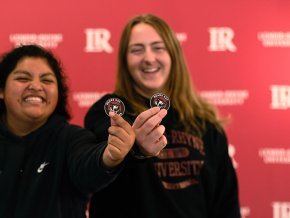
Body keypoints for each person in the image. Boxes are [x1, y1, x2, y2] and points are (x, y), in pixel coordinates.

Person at [85, 14, 241, 218]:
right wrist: (136, 147)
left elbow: (225, 203)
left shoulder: (205, 123)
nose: (149, 58)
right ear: (125, 60)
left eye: (158, 48)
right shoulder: (110, 111)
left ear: (173, 55)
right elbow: (99, 161)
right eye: (137, 50)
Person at [0, 44, 136, 218]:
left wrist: (108, 157)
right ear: (1, 90)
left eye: (47, 80)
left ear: (58, 94)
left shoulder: (71, 138)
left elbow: (88, 164)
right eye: (23, 78)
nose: (35, 86)